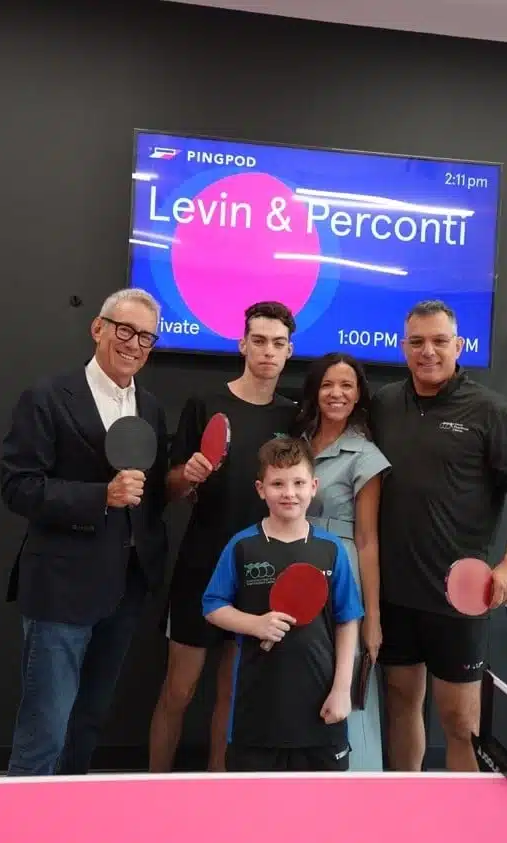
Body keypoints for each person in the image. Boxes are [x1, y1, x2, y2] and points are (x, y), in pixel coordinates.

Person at [372, 299, 507, 773]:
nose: (427, 351)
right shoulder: (384, 403)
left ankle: (463, 814)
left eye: (439, 341)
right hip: (395, 594)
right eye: (417, 342)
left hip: (459, 599)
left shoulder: (490, 411)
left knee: (459, 722)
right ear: (403, 347)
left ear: (459, 345)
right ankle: (408, 806)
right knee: (401, 703)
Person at [1, 288, 169, 776]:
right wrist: (101, 496)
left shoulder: (150, 408)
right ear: (98, 328)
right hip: (61, 589)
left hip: (125, 589)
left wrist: (184, 482)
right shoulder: (48, 397)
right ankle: (24, 815)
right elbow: (18, 487)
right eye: (125, 330)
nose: (134, 344)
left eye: (146, 337)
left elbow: (150, 494)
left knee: (88, 725)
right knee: (45, 729)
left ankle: (70, 811)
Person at [149, 301, 298, 773]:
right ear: (242, 345)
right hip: (201, 566)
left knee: (231, 699)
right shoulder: (205, 405)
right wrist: (187, 475)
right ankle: (153, 791)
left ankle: (218, 797)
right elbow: (169, 486)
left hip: (260, 573)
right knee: (179, 690)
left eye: (277, 343)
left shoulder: (294, 416)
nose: (268, 351)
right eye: (259, 340)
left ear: (289, 351)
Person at [202, 436, 364, 772]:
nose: (289, 493)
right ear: (261, 489)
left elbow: (348, 619)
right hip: (256, 713)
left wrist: (341, 690)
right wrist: (255, 624)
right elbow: (213, 606)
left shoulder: (331, 549)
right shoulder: (242, 546)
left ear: (314, 487)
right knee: (254, 803)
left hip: (321, 709)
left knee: (321, 803)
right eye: (278, 484)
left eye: (298, 483)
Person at [292, 352, 390, 771]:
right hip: (294, 565)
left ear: (359, 394)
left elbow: (367, 540)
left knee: (345, 675)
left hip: (342, 572)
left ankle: (358, 778)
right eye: (328, 384)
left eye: (347, 385)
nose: (337, 393)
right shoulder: (295, 444)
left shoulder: (365, 455)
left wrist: (372, 619)